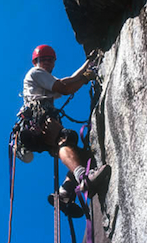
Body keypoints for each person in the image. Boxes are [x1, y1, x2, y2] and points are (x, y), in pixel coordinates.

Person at [17, 44, 110, 216]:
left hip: (40, 125)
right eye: (41, 60)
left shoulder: (45, 79)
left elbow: (69, 80)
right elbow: (65, 87)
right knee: (65, 139)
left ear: (53, 62)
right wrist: (85, 78)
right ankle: (83, 177)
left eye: (49, 60)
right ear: (35, 62)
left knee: (82, 155)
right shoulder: (35, 73)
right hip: (40, 121)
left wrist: (87, 65)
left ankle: (64, 193)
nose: (45, 62)